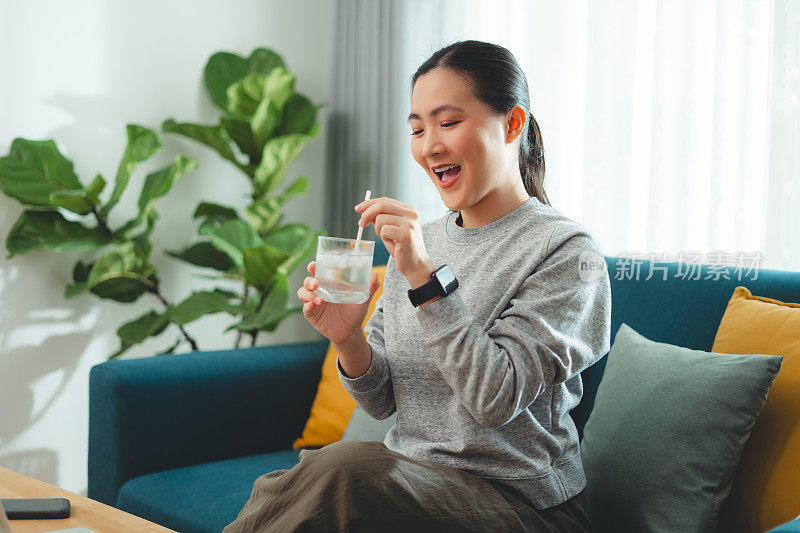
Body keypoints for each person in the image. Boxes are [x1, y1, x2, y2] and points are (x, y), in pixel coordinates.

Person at [224, 40, 610, 533]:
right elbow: (382, 400)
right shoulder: (420, 242)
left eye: (449, 123)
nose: (429, 146)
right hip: (414, 485)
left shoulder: (568, 253)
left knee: (339, 472)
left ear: (512, 124)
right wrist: (348, 337)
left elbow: (495, 398)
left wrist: (425, 281)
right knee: (298, 482)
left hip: (524, 504)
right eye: (417, 129)